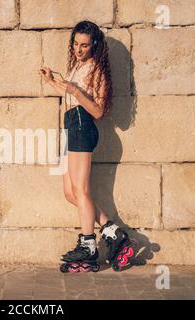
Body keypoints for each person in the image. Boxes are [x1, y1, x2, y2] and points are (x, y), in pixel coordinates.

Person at [38, 20, 134, 272]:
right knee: (71, 193)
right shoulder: (77, 66)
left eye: (84, 45)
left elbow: (98, 110)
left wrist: (77, 91)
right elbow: (69, 91)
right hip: (70, 125)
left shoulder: (96, 70)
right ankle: (112, 231)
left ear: (94, 46)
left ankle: (88, 244)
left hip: (83, 125)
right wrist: (52, 81)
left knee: (81, 190)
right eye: (76, 44)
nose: (79, 49)